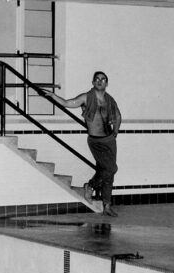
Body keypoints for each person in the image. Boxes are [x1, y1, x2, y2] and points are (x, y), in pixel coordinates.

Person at [49, 71, 122, 217]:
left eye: (103, 79)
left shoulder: (110, 100)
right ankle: (90, 186)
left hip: (109, 140)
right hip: (96, 141)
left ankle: (106, 205)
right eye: (97, 79)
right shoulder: (86, 98)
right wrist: (53, 96)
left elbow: (118, 116)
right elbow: (68, 103)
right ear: (93, 83)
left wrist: (115, 132)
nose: (100, 81)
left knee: (109, 173)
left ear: (106, 83)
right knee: (111, 168)